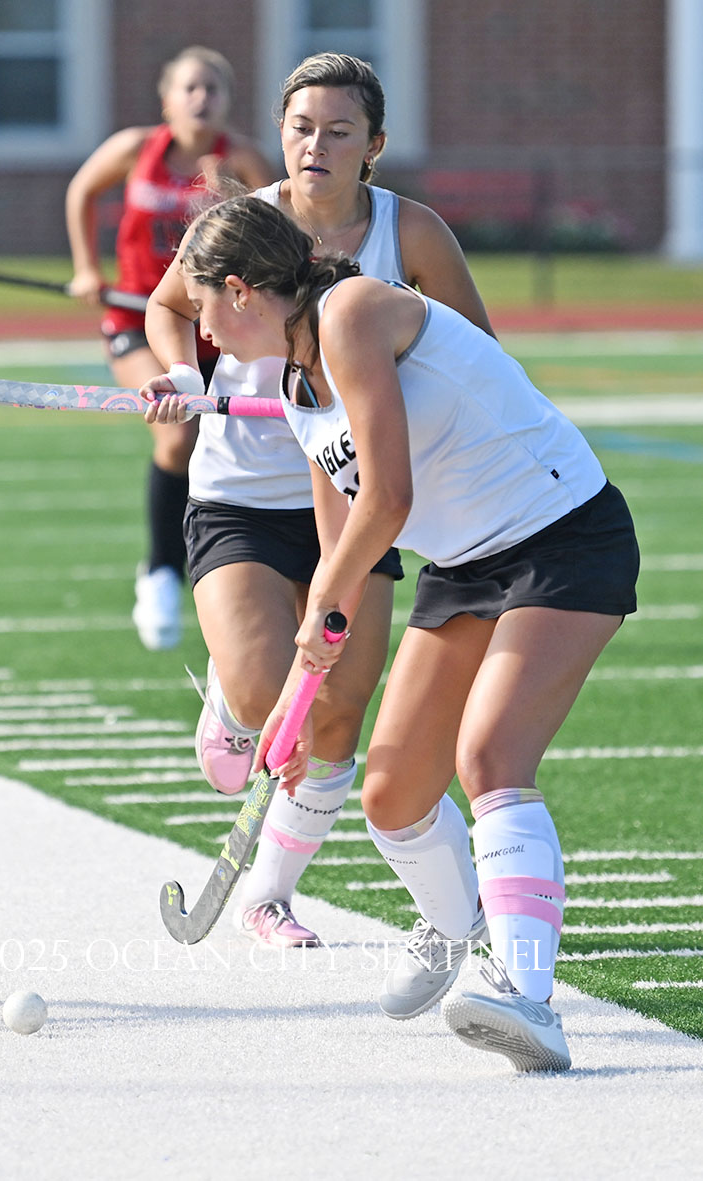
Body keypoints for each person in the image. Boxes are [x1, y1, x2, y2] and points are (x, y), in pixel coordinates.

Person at [166, 193, 638, 1072]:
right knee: (390, 794)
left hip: (563, 537)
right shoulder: (295, 380)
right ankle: (457, 923)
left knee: (490, 755)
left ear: (240, 291)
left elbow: (388, 498)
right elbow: (339, 541)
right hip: (466, 564)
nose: (203, 331)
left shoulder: (350, 312)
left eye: (201, 306)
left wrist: (321, 606)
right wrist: (300, 694)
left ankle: (528, 997)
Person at [143, 53, 492, 949]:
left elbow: (476, 351)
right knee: (271, 696)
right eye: (302, 128)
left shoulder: (411, 234)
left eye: (340, 131)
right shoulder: (241, 224)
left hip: (354, 490)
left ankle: (267, 894)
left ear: (374, 145)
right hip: (241, 492)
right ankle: (230, 696)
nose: (317, 146)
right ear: (280, 132)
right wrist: (183, 374)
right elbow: (167, 307)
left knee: (335, 711)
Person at [65, 45, 274, 651]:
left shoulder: (242, 161)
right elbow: (82, 191)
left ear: (228, 101)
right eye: (190, 87)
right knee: (177, 433)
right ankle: (160, 572)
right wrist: (87, 268)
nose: (201, 98)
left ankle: (232, 567)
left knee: (233, 441)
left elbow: (284, 231)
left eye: (213, 88)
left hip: (218, 327)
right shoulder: (136, 149)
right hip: (140, 318)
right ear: (167, 100)